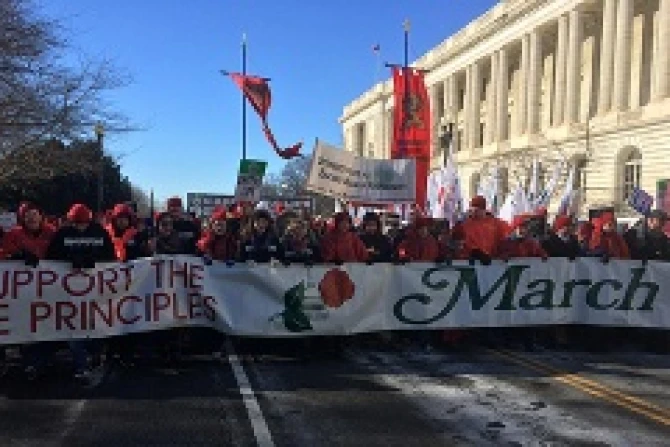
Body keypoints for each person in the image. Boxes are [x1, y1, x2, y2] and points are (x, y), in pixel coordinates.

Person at [45, 203, 115, 383]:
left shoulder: (100, 232)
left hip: (95, 290)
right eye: (77, 223)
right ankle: (80, 364)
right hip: (69, 292)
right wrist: (70, 260)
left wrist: (96, 261)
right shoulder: (62, 234)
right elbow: (51, 258)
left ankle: (96, 356)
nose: (80, 227)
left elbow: (111, 257)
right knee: (74, 328)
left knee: (97, 325)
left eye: (83, 223)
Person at [457, 196, 509, 263]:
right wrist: (475, 253)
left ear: (483, 209)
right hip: (473, 262)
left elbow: (503, 240)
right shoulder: (465, 224)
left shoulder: (496, 223)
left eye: (476, 210)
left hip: (493, 262)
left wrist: (504, 253)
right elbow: (462, 242)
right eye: (471, 210)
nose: (473, 213)